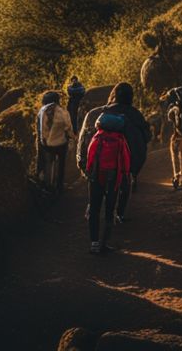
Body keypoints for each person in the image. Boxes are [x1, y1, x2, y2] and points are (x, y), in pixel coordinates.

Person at [79, 82, 150, 223]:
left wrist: (82, 162)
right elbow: (146, 137)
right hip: (121, 165)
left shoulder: (93, 114)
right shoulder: (135, 114)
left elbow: (83, 140)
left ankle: (92, 210)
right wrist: (134, 168)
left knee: (95, 183)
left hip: (96, 163)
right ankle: (119, 214)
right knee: (125, 183)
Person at [84, 110, 130, 254]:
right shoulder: (120, 139)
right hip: (113, 179)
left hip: (97, 177)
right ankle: (104, 243)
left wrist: (90, 174)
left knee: (94, 210)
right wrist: (125, 176)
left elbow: (90, 158)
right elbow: (126, 161)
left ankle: (94, 244)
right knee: (109, 210)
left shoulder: (97, 137)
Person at [36, 89, 76, 193]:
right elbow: (68, 129)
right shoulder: (63, 111)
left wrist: (43, 141)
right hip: (60, 144)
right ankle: (59, 185)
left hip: (45, 145)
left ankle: (45, 184)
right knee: (61, 163)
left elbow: (39, 129)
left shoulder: (41, 111)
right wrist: (73, 138)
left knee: (46, 161)